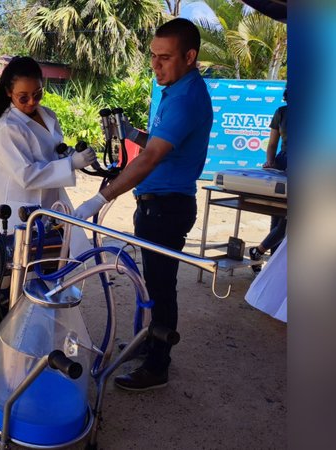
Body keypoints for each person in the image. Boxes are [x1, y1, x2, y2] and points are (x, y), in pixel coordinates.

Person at [73, 18, 213, 391]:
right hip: (157, 205)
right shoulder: (178, 90)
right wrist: (131, 132)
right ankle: (151, 344)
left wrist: (100, 197)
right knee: (153, 284)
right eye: (152, 56)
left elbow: (150, 158)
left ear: (189, 56)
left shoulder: (185, 98)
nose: (155, 64)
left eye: (164, 58)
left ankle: (157, 366)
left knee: (162, 288)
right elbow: (161, 144)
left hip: (166, 209)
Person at [0, 56, 96, 235]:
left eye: (37, 94)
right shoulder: (8, 127)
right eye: (23, 98)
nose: (31, 102)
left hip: (50, 203)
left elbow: (51, 151)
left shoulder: (48, 115)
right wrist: (71, 164)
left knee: (60, 256)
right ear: (8, 92)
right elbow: (26, 175)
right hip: (20, 210)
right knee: (27, 260)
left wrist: (69, 155)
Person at [249, 89, 288, 264]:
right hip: (283, 167)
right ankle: (270, 259)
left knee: (285, 222)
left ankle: (260, 252)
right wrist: (270, 162)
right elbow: (272, 144)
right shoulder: (281, 112)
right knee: (279, 215)